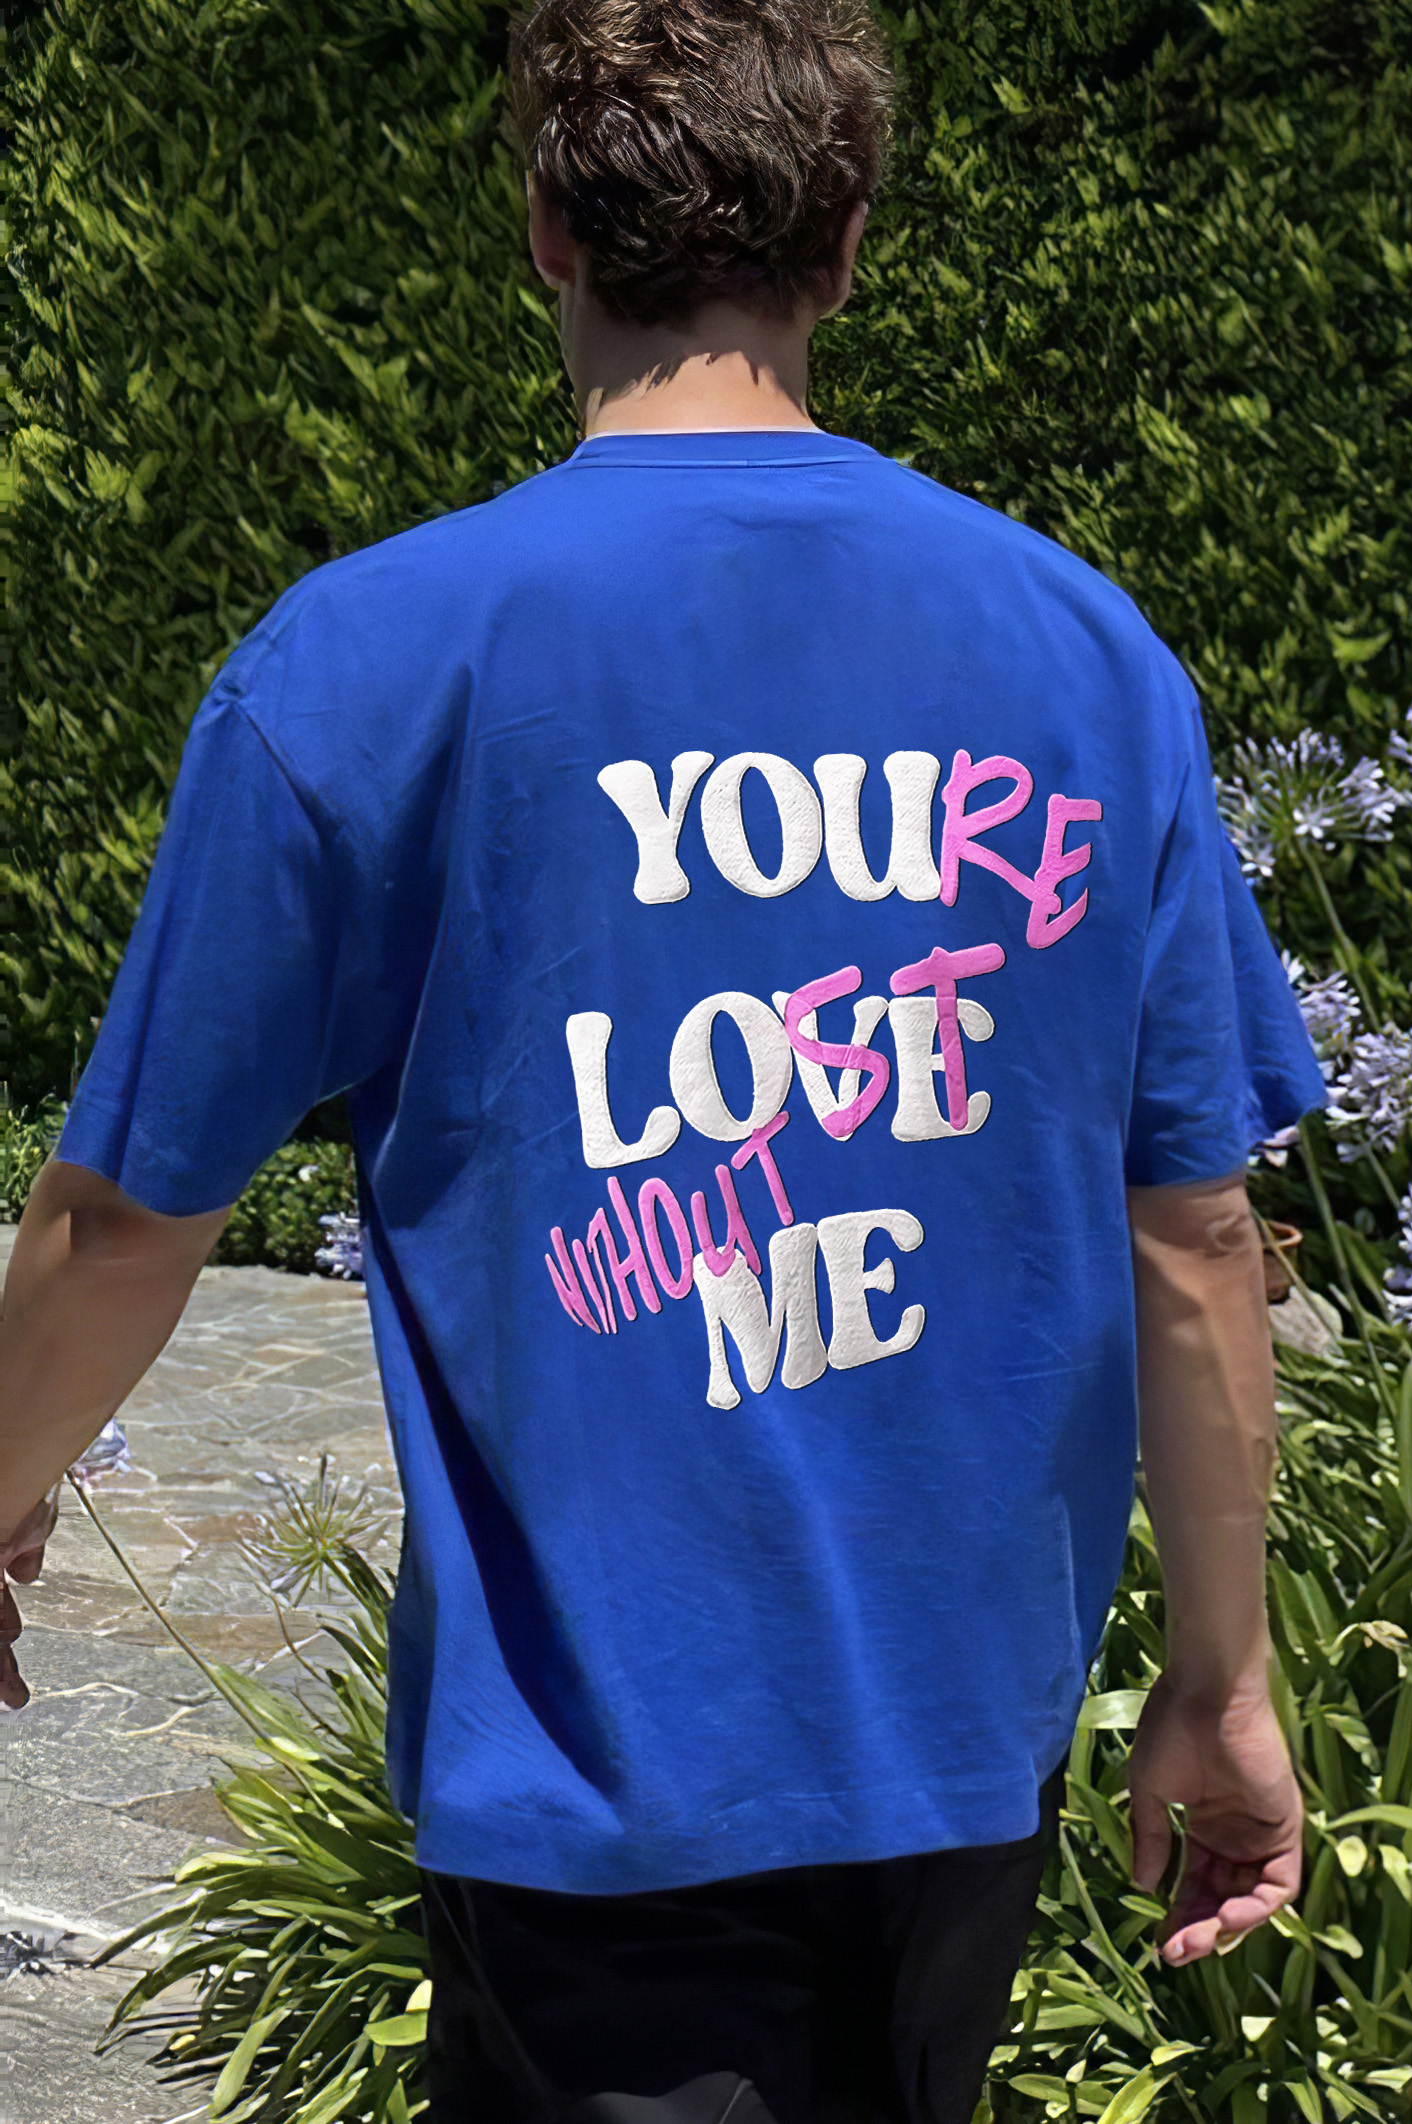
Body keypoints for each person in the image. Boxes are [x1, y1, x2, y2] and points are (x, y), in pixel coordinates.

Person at [0, 0, 1325, 2116]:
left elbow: (127, 1218)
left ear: (548, 227)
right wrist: (1222, 1677)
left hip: (599, 1777)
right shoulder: (1086, 653)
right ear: (850, 244)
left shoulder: (367, 658)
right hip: (963, 1758)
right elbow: (1197, 1234)